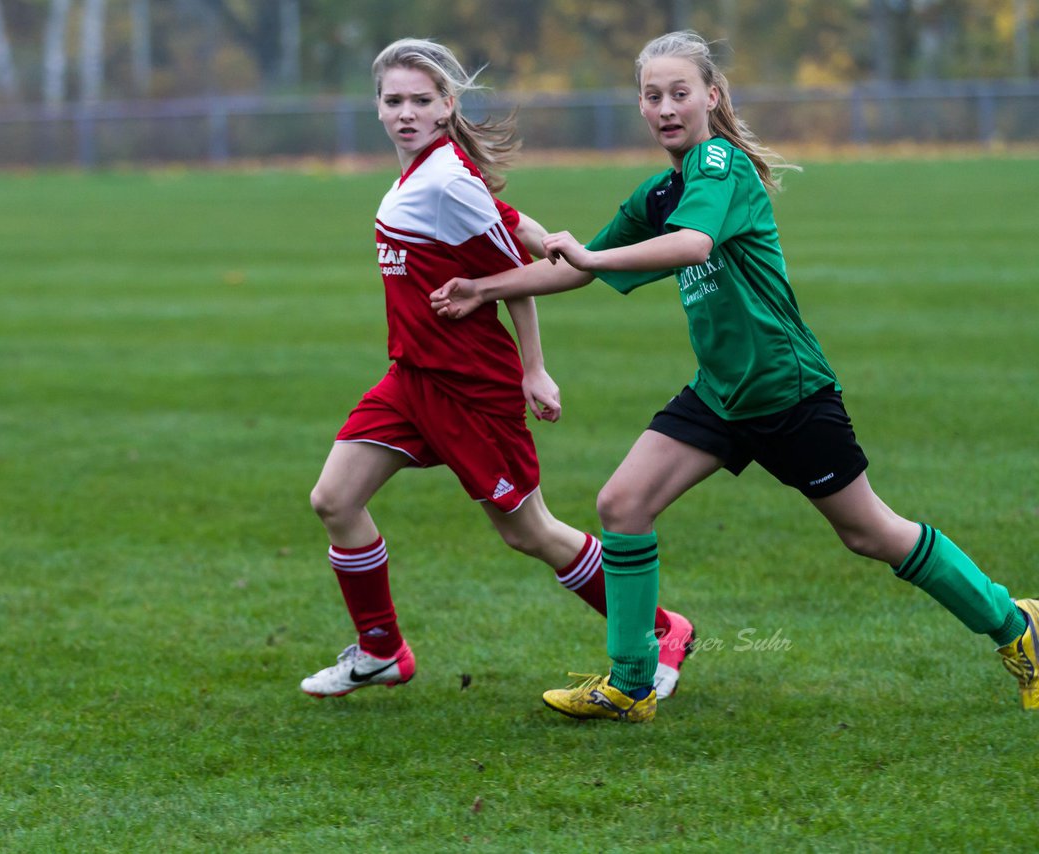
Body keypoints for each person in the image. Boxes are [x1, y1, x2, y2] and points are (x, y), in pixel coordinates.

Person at [430, 30, 1037, 723]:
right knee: (623, 503)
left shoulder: (720, 164)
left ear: (712, 96)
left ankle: (1015, 624)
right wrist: (483, 288)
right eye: (652, 96)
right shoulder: (663, 191)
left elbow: (690, 245)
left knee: (872, 533)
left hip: (787, 390)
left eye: (680, 92)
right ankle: (631, 684)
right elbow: (579, 261)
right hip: (720, 393)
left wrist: (590, 263)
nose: (665, 107)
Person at [300, 37, 697, 700]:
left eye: (420, 101)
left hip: (470, 387)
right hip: (412, 378)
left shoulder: (446, 180)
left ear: (446, 105)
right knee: (335, 500)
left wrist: (532, 370)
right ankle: (381, 651)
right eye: (393, 100)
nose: (405, 112)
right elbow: (515, 227)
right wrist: (543, 235)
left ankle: (662, 631)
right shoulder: (432, 173)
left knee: (530, 532)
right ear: (376, 108)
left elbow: (512, 272)